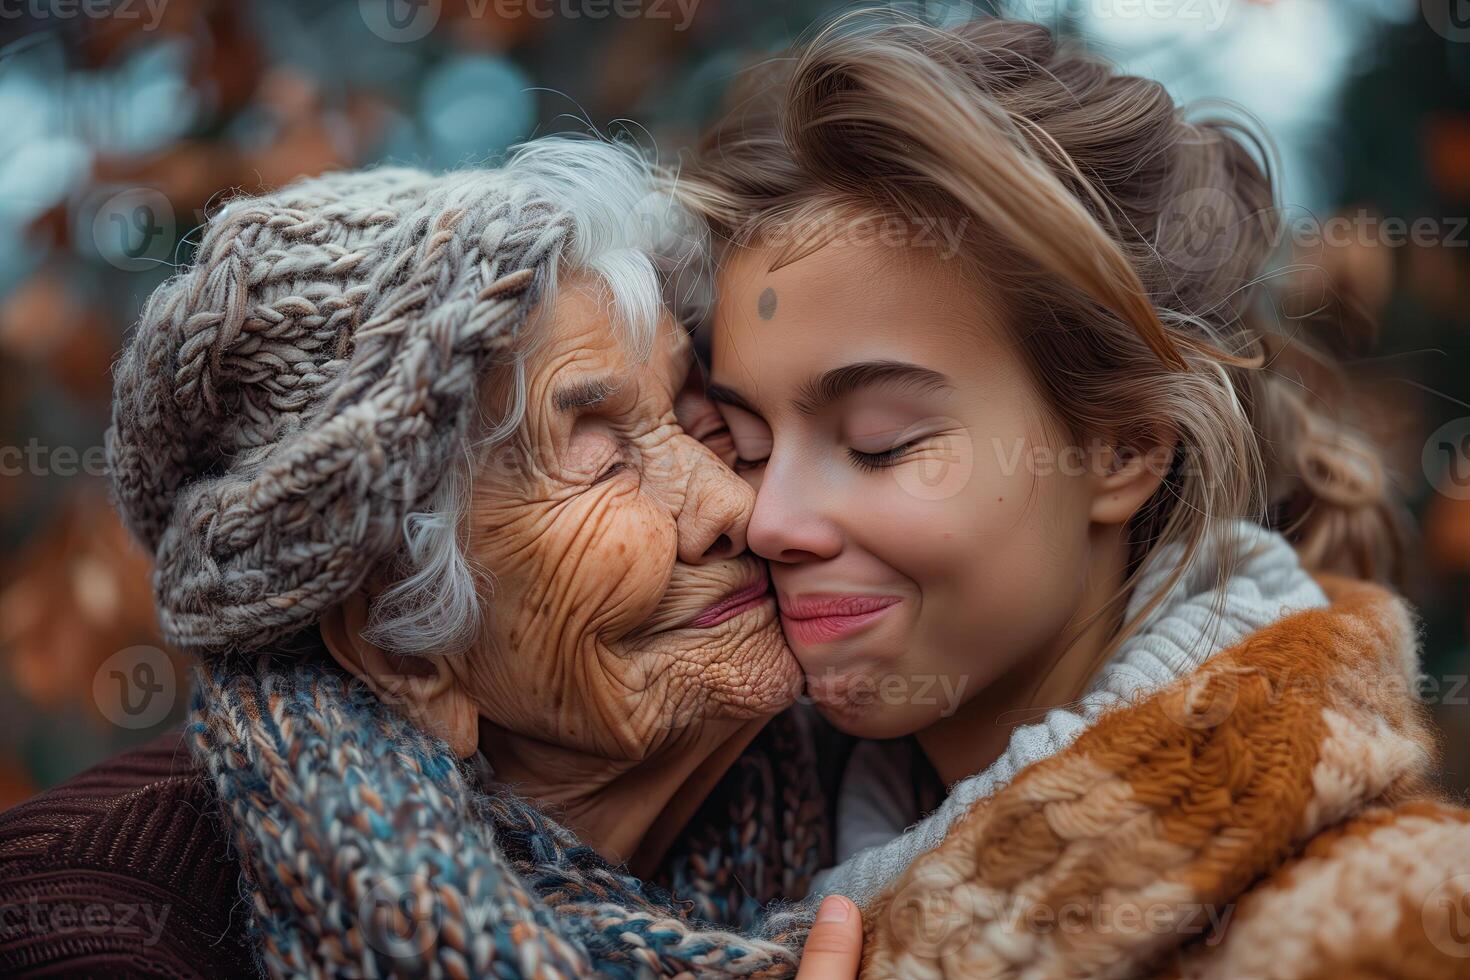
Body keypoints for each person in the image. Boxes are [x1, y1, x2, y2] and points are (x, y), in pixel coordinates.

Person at [682, 12, 1470, 975]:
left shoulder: (1391, 923)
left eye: (880, 446)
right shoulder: (712, 845)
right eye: (748, 444)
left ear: (1123, 448)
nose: (769, 521)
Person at [0, 136, 866, 978]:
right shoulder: (88, 927)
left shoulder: (876, 771)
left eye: (697, 413)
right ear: (403, 654)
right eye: (603, 463)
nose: (732, 500)